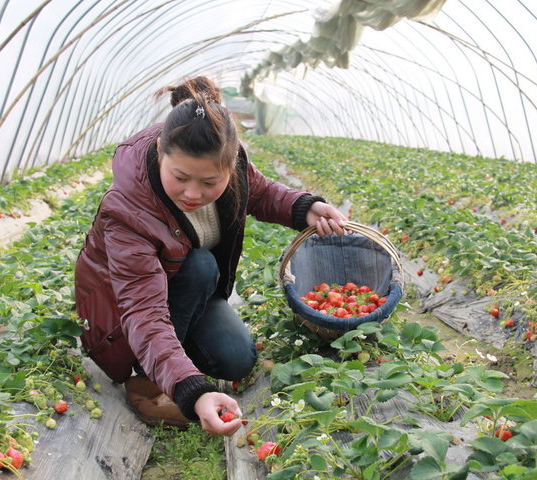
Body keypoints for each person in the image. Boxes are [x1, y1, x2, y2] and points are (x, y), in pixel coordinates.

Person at [74, 76, 347, 436]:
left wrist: (304, 208)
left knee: (236, 359)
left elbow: (262, 193)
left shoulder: (228, 163)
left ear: (230, 167)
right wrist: (191, 389)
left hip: (184, 293)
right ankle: (145, 380)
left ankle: (173, 356)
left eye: (209, 183)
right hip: (122, 324)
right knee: (201, 264)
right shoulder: (128, 210)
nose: (193, 193)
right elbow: (143, 311)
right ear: (159, 150)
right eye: (181, 177)